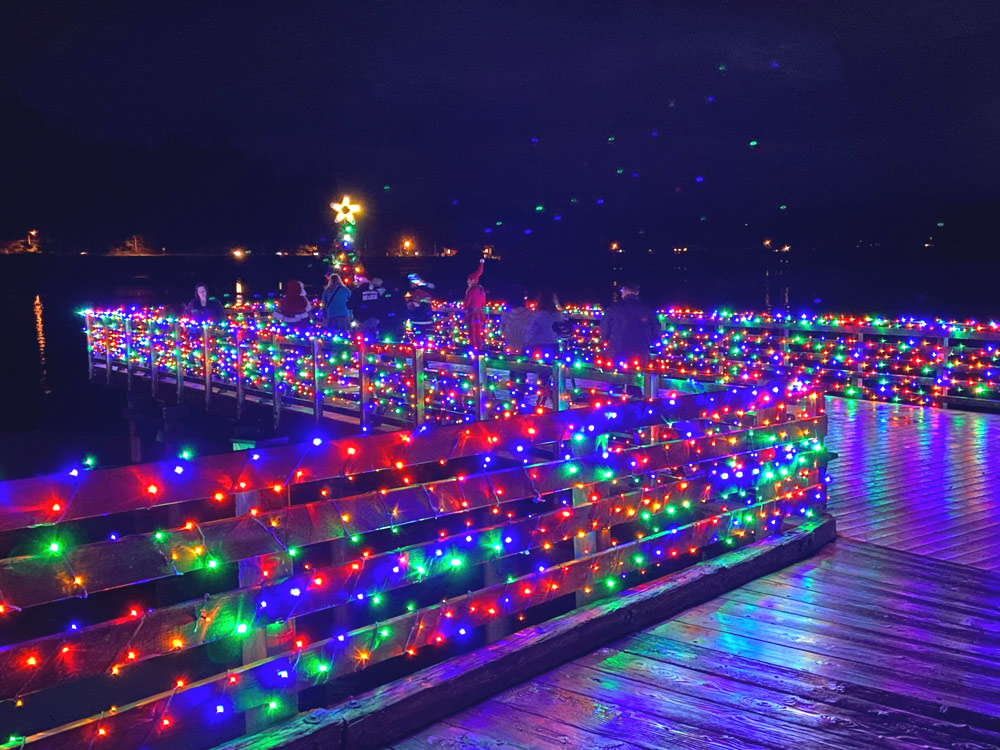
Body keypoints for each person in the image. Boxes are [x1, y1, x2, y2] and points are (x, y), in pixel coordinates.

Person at [600, 281, 659, 368]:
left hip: (616, 351)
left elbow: (604, 329)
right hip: (640, 353)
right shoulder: (647, 309)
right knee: (639, 378)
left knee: (616, 377)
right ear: (637, 292)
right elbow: (656, 330)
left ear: (624, 290)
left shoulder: (613, 308)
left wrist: (607, 341)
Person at [463, 259, 487, 351]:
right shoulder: (481, 290)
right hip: (479, 313)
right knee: (478, 331)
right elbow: (483, 303)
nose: (467, 282)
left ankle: (473, 347)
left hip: (472, 314)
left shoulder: (471, 290)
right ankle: (479, 347)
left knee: (472, 331)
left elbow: (467, 303)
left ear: (472, 280)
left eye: (468, 280)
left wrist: (464, 307)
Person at [500, 287, 532, 353]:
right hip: (525, 349)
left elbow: (502, 330)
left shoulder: (505, 314)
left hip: (508, 349)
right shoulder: (530, 313)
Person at [406, 273, 435, 340]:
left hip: (421, 320)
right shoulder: (417, 292)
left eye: (411, 281)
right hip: (420, 320)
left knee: (420, 340)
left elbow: (416, 306)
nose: (410, 283)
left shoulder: (419, 292)